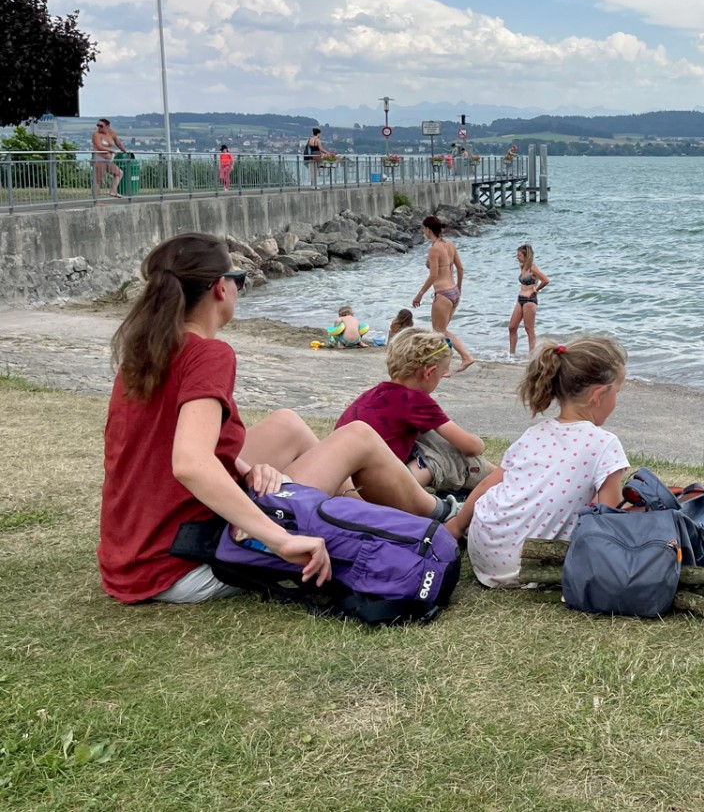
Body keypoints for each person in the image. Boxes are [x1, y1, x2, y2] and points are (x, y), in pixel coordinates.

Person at [98, 233, 461, 605]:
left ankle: (364, 515)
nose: (238, 288)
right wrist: (280, 538)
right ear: (220, 288)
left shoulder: (145, 354)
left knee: (286, 423)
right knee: (358, 437)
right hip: (185, 560)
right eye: (237, 279)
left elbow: (168, 444)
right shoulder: (208, 355)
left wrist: (244, 470)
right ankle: (442, 514)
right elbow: (190, 463)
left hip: (130, 557)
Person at [445, 337, 631, 588]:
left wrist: (456, 526)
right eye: (616, 392)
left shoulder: (534, 433)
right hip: (525, 566)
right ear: (598, 395)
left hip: (483, 550)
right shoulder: (604, 443)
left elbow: (487, 485)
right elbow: (609, 519)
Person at [336, 330, 487, 490]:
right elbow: (471, 447)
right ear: (429, 372)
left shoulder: (376, 392)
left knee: (425, 437)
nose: (445, 377)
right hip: (374, 490)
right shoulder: (416, 400)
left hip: (341, 478)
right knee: (437, 458)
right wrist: (480, 443)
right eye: (442, 375)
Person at [412, 216, 476, 372]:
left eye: (423, 229)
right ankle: (452, 363)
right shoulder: (450, 244)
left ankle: (463, 358)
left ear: (428, 230)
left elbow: (433, 275)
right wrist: (459, 289)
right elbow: (460, 269)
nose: (422, 231)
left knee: (439, 331)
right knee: (442, 330)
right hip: (453, 291)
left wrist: (419, 294)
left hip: (442, 293)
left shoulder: (434, 249)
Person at [508, 243, 550, 360]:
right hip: (520, 299)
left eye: (519, 255)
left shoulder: (532, 267)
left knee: (529, 329)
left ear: (526, 256)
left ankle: (532, 356)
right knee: (512, 327)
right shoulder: (523, 267)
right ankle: (511, 355)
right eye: (517, 255)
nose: (517, 257)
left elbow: (545, 280)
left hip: (529, 300)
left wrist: (536, 290)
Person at [92, 118, 127, 198]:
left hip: (108, 160)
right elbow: (99, 147)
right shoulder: (96, 134)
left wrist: (123, 150)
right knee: (98, 180)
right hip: (99, 158)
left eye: (101, 126)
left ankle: (113, 191)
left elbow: (117, 142)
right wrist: (111, 150)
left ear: (107, 126)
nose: (99, 127)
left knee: (119, 173)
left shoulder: (111, 133)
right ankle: (95, 200)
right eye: (98, 125)